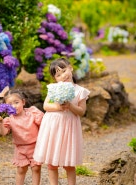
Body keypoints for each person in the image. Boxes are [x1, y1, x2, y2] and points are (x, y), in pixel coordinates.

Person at [33, 57, 90, 185]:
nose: (63, 76)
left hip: (69, 128)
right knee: (52, 164)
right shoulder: (53, 88)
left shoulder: (80, 91)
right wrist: (58, 107)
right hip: (53, 126)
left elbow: (81, 111)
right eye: (58, 75)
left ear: (71, 67)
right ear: (55, 79)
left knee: (68, 164)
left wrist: (70, 106)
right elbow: (46, 106)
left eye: (64, 71)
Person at [0, 89, 44, 185]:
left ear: (23, 102)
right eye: (10, 104)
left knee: (36, 168)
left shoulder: (32, 113)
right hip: (20, 148)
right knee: (21, 170)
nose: (14, 106)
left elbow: (43, 124)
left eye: (16, 102)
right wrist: (0, 124)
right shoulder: (8, 119)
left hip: (35, 146)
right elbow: (3, 132)